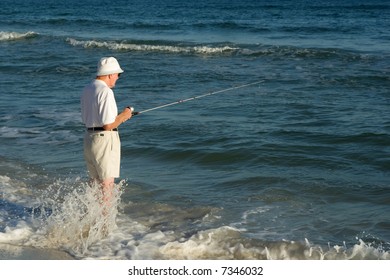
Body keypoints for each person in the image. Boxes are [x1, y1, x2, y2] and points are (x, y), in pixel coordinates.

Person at [81, 57, 133, 207]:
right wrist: (125, 114)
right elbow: (108, 125)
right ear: (111, 74)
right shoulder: (105, 91)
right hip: (104, 140)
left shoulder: (88, 88)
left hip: (89, 138)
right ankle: (105, 226)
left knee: (95, 185)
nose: (118, 78)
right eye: (118, 74)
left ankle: (92, 219)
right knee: (107, 186)